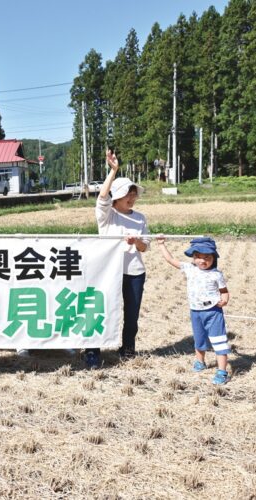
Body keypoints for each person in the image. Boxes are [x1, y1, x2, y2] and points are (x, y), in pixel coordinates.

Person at [85, 150, 150, 369]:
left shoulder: (140, 218)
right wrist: (113, 171)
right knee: (99, 310)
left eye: (134, 194)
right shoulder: (107, 215)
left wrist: (136, 242)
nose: (132, 198)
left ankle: (128, 349)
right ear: (117, 196)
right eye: (127, 194)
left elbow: (145, 246)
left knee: (131, 316)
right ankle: (93, 351)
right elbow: (102, 198)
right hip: (106, 272)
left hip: (134, 272)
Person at [157, 236, 230, 385]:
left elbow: (224, 291)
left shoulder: (216, 274)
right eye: (198, 257)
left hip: (213, 312)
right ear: (193, 257)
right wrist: (161, 244)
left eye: (207, 257)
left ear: (213, 257)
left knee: (219, 341)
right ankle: (200, 361)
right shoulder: (190, 268)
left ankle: (222, 371)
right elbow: (171, 260)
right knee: (199, 339)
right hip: (196, 311)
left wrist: (225, 299)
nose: (202, 261)